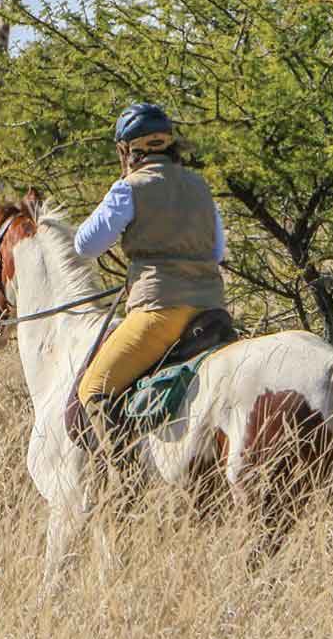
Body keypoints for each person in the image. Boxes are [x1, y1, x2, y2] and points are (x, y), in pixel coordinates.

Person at [71, 103, 227, 435]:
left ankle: (123, 484)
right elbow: (218, 251)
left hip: (159, 314)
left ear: (126, 150)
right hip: (212, 311)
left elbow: (86, 245)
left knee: (93, 389)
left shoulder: (129, 188)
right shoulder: (200, 187)